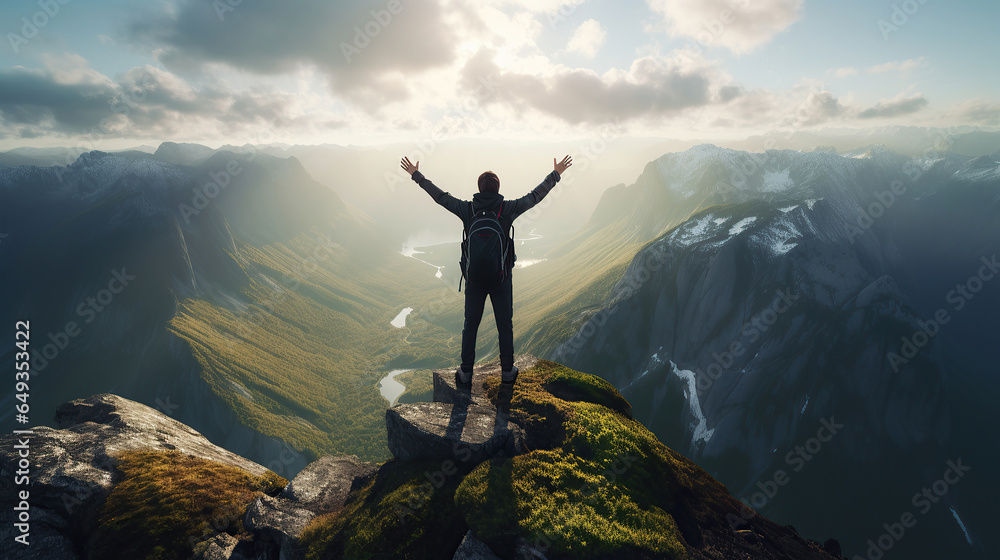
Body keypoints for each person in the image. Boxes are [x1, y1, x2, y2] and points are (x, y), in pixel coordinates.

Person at [400, 155, 572, 385]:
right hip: (501, 279)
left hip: (474, 280)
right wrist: (556, 174)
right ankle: (508, 372)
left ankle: (466, 372)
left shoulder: (468, 209)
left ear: (479, 189)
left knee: (470, 325)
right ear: (498, 188)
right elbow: (535, 196)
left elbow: (440, 197)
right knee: (504, 326)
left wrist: (416, 175)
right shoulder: (507, 209)